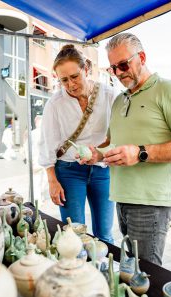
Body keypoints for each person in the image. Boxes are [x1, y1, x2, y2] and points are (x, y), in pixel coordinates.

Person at [95, 33, 171, 265]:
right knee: (132, 270)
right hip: (121, 198)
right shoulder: (119, 100)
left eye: (123, 64)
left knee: (146, 275)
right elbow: (114, 143)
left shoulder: (168, 89)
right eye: (113, 68)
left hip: (151, 203)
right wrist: (97, 153)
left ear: (141, 57)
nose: (119, 72)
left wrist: (140, 153)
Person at [38, 44, 116, 244]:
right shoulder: (55, 104)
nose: (71, 84)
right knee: (74, 235)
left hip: (102, 169)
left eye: (75, 76)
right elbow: (47, 144)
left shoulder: (109, 95)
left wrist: (101, 152)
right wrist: (52, 181)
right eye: (64, 80)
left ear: (86, 70)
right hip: (69, 171)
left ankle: (103, 273)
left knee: (105, 235)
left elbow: (117, 134)